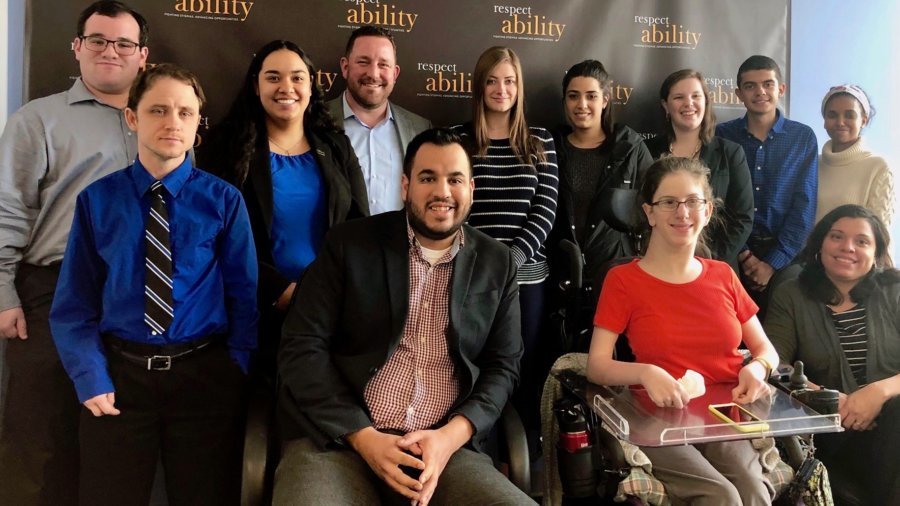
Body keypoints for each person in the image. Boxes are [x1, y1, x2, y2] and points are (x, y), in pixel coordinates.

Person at [274, 128, 532, 505]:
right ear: (406, 185)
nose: (442, 192)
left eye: (455, 179)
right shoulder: (349, 245)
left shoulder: (498, 263)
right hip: (339, 443)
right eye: (428, 178)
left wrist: (449, 438)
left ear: (471, 189)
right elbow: (301, 347)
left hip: (445, 453)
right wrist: (364, 437)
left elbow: (503, 367)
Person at [49, 63, 258, 506]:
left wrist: (235, 366)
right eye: (158, 110)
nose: (172, 122)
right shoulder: (97, 201)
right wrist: (89, 375)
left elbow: (244, 294)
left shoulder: (223, 200)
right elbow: (75, 305)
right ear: (132, 118)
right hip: (118, 379)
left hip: (203, 377)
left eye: (185, 112)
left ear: (198, 122)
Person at [0, 2, 149, 503]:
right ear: (77, 47)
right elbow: (8, 209)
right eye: (98, 40)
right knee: (42, 439)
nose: (111, 51)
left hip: (135, 298)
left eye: (124, 43)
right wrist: (2, 292)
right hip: (51, 292)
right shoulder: (36, 120)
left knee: (115, 440)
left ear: (142, 56)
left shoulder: (163, 123)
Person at [587, 156, 780, 505]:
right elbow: (596, 366)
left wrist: (756, 367)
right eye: (668, 202)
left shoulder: (723, 275)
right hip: (657, 418)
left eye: (693, 201)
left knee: (752, 488)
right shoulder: (624, 280)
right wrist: (645, 373)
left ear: (707, 211)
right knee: (719, 495)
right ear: (649, 213)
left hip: (724, 414)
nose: (682, 212)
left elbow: (767, 351)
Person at [198, 40, 369, 382]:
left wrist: (331, 295)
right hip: (254, 312)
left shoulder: (336, 146)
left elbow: (358, 227)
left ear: (311, 86)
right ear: (256, 85)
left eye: (297, 78)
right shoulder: (226, 147)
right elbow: (210, 236)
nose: (286, 88)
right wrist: (278, 290)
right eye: (273, 77)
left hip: (329, 314)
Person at [452, 46, 558, 442]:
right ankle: (482, 449)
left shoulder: (540, 140)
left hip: (526, 279)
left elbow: (546, 210)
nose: (501, 89)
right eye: (493, 81)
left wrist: (509, 261)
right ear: (480, 86)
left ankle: (525, 457)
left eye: (510, 81)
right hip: (471, 278)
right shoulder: (460, 140)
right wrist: (487, 266)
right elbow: (456, 208)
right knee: (477, 369)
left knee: (524, 369)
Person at [764, 204, 900, 504]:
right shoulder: (792, 293)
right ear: (820, 244)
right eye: (836, 237)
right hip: (831, 430)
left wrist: (879, 391)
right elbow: (772, 365)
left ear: (876, 251)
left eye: (861, 241)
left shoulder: (894, 289)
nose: (847, 247)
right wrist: (826, 397)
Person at [716, 55, 818, 309]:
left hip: (787, 255)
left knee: (782, 329)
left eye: (768, 84)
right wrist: (745, 255)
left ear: (781, 89)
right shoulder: (722, 135)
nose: (760, 92)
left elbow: (804, 208)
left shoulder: (802, 137)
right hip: (733, 249)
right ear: (739, 93)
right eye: (750, 86)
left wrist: (772, 263)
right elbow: (718, 199)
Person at [549, 59, 653, 285]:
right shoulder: (549, 148)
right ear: (565, 100)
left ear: (605, 100)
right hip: (560, 273)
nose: (581, 104)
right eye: (573, 95)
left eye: (591, 96)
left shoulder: (631, 148)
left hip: (617, 271)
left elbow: (654, 210)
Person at [647, 69, 753, 272]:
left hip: (715, 267)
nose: (689, 104)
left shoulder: (730, 153)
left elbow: (743, 218)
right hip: (658, 266)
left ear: (706, 101)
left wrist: (710, 261)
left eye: (696, 96)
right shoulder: (646, 152)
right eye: (679, 97)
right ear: (665, 106)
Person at [326, 25, 431, 215]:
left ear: (395, 73)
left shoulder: (420, 129)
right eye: (363, 62)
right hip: (334, 243)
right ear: (345, 67)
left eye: (383, 64)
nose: (373, 74)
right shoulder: (315, 121)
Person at [816, 85, 894, 226]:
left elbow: (880, 234)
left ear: (864, 120)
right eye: (832, 115)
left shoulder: (878, 167)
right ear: (824, 121)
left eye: (849, 115)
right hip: (811, 249)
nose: (840, 122)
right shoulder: (812, 164)